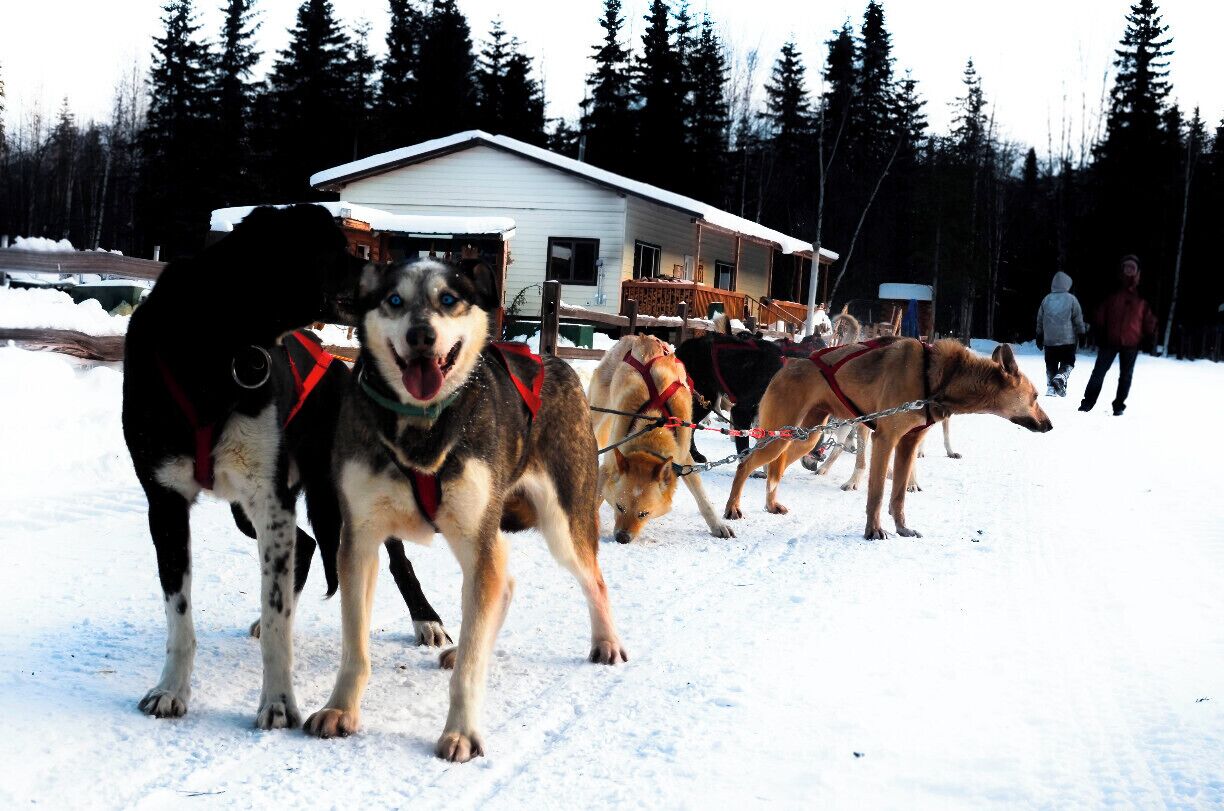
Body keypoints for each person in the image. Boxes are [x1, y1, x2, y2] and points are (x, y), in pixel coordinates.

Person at [1079, 255, 1157, 416]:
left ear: (1137, 272)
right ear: (1122, 270)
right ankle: (1087, 403)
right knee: (1099, 372)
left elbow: (1149, 318)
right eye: (1126, 267)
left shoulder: (1142, 295)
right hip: (1109, 340)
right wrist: (1099, 331)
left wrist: (1149, 336)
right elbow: (1100, 313)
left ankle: (1119, 405)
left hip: (1132, 342)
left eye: (1132, 267)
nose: (1129, 270)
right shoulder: (1111, 290)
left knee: (1126, 376)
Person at [1035, 271, 1085, 396]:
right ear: (1067, 284)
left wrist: (1039, 335)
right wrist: (1082, 334)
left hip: (1049, 340)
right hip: (1068, 340)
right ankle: (1061, 377)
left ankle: (1051, 388)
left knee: (1051, 363)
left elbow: (1040, 319)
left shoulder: (1046, 299)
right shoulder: (1072, 299)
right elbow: (1078, 319)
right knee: (1068, 362)